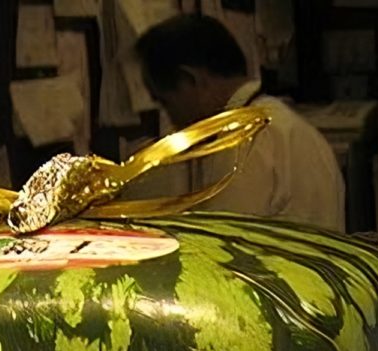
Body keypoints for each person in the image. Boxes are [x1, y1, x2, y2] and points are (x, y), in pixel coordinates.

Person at [134, 14, 346, 232]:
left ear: (191, 80)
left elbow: (226, 247)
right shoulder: (285, 123)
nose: (173, 121)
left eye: (166, 103)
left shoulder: (247, 138)